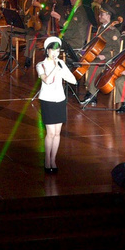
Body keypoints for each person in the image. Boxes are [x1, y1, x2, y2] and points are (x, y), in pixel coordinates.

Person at [36, 36, 77, 174]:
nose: (55, 53)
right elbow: (47, 80)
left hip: (60, 99)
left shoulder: (61, 63)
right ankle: (47, 160)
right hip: (47, 100)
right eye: (53, 50)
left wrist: (66, 71)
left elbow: (72, 79)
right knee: (50, 133)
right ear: (47, 50)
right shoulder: (40, 65)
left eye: (58, 51)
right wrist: (55, 68)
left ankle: (53, 160)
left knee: (57, 133)